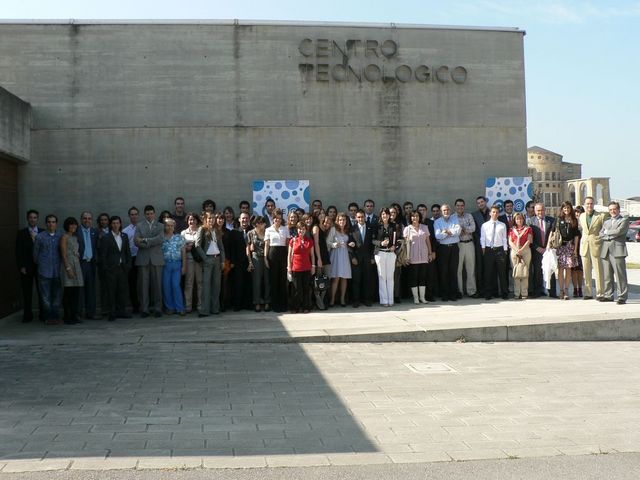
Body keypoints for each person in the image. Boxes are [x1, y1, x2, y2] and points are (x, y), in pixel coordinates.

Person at [98, 215, 132, 321]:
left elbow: (127, 252)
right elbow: (103, 255)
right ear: (110, 225)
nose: (115, 225)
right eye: (113, 223)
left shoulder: (124, 236)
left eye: (117, 223)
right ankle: (112, 312)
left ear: (120, 224)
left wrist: (128, 265)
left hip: (122, 268)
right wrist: (106, 268)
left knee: (122, 291)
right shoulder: (106, 237)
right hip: (111, 269)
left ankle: (121, 311)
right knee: (111, 291)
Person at [134, 205, 165, 318]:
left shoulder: (161, 226)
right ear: (144, 214)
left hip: (157, 259)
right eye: (147, 213)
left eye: (151, 213)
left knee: (157, 285)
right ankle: (144, 309)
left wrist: (145, 240)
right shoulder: (139, 226)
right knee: (143, 286)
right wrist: (151, 241)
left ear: (154, 214)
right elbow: (136, 242)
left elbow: (160, 239)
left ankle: (158, 308)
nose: (149, 215)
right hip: (143, 259)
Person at [33, 214, 63, 325]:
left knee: (57, 296)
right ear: (46, 223)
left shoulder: (61, 236)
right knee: (45, 297)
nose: (51, 224)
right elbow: (35, 255)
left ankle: (56, 316)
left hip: (57, 271)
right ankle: (48, 317)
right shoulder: (40, 237)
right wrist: (42, 264)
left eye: (53, 222)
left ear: (56, 223)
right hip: (44, 271)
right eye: (49, 222)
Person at [15, 209, 43, 323]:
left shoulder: (42, 232)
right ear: (27, 219)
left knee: (41, 291)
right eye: (30, 217)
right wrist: (21, 266)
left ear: (37, 219)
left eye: (35, 217)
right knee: (27, 292)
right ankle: (27, 315)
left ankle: (43, 314)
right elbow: (18, 251)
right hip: (26, 268)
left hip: (40, 267)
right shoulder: (21, 233)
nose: (32, 219)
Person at [599, 201, 629, 305]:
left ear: (618, 209)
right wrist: (608, 234)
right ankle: (608, 295)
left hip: (618, 250)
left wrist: (607, 233)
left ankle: (622, 296)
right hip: (606, 250)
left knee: (620, 275)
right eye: (610, 209)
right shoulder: (606, 222)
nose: (613, 211)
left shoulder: (624, 220)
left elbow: (619, 231)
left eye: (614, 209)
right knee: (607, 275)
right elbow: (601, 233)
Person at [196, 212, 225, 316]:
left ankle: (215, 308)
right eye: (209, 218)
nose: (211, 220)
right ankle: (204, 310)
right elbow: (197, 245)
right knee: (206, 285)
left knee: (216, 285)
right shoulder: (202, 229)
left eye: (213, 218)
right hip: (207, 259)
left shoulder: (217, 230)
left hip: (217, 259)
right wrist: (205, 258)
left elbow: (221, 247)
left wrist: (222, 261)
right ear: (205, 219)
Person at [403, 211, 434, 304]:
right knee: (414, 278)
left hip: (424, 256)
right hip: (412, 257)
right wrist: (407, 257)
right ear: (410, 218)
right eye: (412, 216)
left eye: (416, 216)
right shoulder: (407, 229)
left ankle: (422, 298)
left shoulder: (424, 227)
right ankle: (416, 298)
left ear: (419, 217)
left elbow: (428, 242)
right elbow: (405, 245)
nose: (415, 218)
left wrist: (430, 253)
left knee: (422, 277)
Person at [480, 205, 509, 300]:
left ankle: (504, 292)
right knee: (488, 273)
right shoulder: (485, 225)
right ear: (490, 213)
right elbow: (482, 238)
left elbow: (505, 238)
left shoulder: (502, 225)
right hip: (489, 250)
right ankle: (488, 293)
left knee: (502, 272)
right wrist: (483, 248)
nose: (495, 214)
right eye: (493, 212)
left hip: (500, 250)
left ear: (498, 214)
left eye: (496, 212)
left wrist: (505, 250)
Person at [553, 201, 580, 300]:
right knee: (560, 269)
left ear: (570, 209)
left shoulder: (574, 220)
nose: (566, 210)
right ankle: (560, 290)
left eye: (568, 208)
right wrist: (549, 246)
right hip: (560, 247)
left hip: (569, 247)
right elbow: (552, 233)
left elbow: (577, 236)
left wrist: (575, 249)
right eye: (564, 208)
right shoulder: (558, 219)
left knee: (568, 269)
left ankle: (566, 290)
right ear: (562, 209)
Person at [578, 197, 604, 300]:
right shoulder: (582, 216)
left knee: (598, 270)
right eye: (587, 204)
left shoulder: (600, 216)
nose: (589, 205)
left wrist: (599, 238)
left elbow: (603, 230)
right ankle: (588, 292)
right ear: (584, 204)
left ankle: (600, 293)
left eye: (591, 203)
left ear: (594, 204)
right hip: (584, 246)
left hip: (596, 245)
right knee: (586, 271)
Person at [264, 209, 290, 313]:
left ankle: (283, 304)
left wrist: (289, 258)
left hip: (283, 254)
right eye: (275, 218)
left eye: (279, 218)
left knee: (282, 280)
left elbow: (288, 244)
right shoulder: (268, 230)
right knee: (273, 280)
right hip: (272, 256)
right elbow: (266, 245)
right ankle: (274, 305)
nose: (277, 220)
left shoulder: (285, 229)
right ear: (273, 219)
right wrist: (265, 258)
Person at [434, 204, 461, 301]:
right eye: (444, 210)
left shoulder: (455, 219)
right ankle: (444, 294)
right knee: (444, 272)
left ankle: (453, 294)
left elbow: (458, 231)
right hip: (443, 249)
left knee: (453, 271)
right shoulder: (437, 222)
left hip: (454, 248)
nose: (446, 212)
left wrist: (446, 232)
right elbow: (437, 236)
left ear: (450, 210)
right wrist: (449, 232)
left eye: (447, 210)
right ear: (441, 212)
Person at [287, 221, 316, 313]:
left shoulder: (309, 241)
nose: (301, 230)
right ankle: (295, 307)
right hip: (296, 268)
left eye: (303, 229)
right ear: (297, 229)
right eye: (299, 229)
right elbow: (289, 255)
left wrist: (313, 266)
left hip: (307, 268)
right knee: (296, 289)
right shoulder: (293, 240)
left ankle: (306, 306)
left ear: (305, 230)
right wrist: (289, 267)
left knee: (306, 288)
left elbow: (312, 255)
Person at [530, 203, 557, 298]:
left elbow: (554, 235)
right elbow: (530, 238)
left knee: (551, 271)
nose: (540, 212)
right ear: (535, 211)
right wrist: (537, 248)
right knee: (537, 271)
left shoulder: (552, 220)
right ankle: (537, 292)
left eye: (542, 210)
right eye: (538, 210)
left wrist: (548, 247)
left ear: (545, 210)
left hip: (549, 250)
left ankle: (552, 292)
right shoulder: (530, 221)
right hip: (536, 250)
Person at [60, 217, 83, 324]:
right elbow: (64, 255)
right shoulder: (64, 237)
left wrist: (77, 254)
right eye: (71, 224)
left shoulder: (75, 237)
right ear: (67, 226)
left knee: (76, 292)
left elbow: (75, 250)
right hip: (68, 265)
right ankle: (67, 316)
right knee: (68, 292)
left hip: (76, 264)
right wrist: (68, 268)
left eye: (75, 224)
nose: (73, 226)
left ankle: (74, 315)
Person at [373, 207, 399, 307]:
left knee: (390, 277)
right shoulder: (376, 226)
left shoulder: (394, 226)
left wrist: (395, 246)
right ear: (381, 215)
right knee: (382, 277)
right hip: (380, 253)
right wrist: (381, 243)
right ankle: (384, 300)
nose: (385, 216)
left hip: (391, 253)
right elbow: (373, 240)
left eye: (387, 214)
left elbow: (399, 240)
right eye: (383, 214)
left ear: (389, 215)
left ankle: (390, 300)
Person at [327, 212, 353, 307]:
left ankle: (342, 299)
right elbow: (328, 242)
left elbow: (350, 242)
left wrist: (351, 244)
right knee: (336, 278)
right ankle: (332, 299)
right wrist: (334, 244)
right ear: (337, 221)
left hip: (345, 255)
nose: (342, 221)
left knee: (344, 278)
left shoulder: (347, 231)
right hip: (336, 255)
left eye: (344, 220)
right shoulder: (333, 229)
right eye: (340, 220)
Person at [228, 212, 253, 311]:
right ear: (239, 219)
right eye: (243, 218)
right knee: (238, 283)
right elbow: (231, 248)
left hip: (250, 261)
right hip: (237, 262)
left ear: (249, 220)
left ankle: (248, 304)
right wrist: (232, 262)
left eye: (246, 218)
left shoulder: (252, 231)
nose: (245, 220)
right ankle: (237, 305)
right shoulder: (234, 232)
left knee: (248, 283)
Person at [161, 218, 186, 315]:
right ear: (164, 226)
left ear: (174, 226)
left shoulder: (179, 237)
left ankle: (180, 307)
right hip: (165, 265)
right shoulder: (161, 238)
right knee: (166, 286)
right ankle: (170, 307)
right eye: (167, 225)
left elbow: (183, 252)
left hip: (177, 264)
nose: (169, 227)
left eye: (171, 225)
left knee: (176, 285)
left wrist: (184, 266)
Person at [454, 198, 478, 298]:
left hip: (469, 244)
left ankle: (471, 291)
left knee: (471, 268)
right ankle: (459, 291)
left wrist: (463, 229)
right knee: (458, 269)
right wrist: (463, 230)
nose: (460, 207)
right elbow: (454, 231)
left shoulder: (469, 215)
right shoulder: (452, 217)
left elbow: (473, 228)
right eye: (458, 205)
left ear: (464, 206)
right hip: (458, 245)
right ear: (455, 206)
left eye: (462, 205)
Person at [350, 209, 374, 307]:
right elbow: (349, 245)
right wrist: (352, 257)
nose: (360, 219)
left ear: (365, 217)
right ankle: (356, 300)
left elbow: (373, 244)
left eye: (362, 217)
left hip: (368, 258)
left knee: (367, 279)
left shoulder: (370, 227)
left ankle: (367, 299)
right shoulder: (352, 229)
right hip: (357, 258)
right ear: (356, 218)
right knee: (356, 280)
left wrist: (373, 257)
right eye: (358, 217)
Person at [77, 211, 99, 319]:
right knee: (79, 290)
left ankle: (91, 313)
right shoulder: (76, 231)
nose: (87, 220)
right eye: (85, 218)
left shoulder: (94, 232)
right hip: (80, 264)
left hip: (91, 264)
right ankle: (79, 313)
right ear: (81, 220)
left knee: (91, 289)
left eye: (89, 218)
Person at [181, 212, 203, 314]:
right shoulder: (183, 233)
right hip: (188, 260)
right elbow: (181, 248)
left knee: (200, 283)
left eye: (193, 219)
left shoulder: (201, 231)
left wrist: (194, 246)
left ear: (197, 220)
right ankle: (188, 306)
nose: (192, 221)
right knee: (188, 283)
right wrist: (187, 247)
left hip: (199, 261)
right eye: (190, 219)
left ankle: (200, 305)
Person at [247, 216, 270, 312]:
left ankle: (267, 302)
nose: (260, 224)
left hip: (267, 258)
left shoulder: (268, 232)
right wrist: (250, 262)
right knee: (256, 281)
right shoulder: (251, 233)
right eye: (258, 223)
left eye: (262, 223)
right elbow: (247, 248)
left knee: (267, 280)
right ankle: (257, 302)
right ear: (255, 224)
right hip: (256, 258)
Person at [508, 212, 533, 299]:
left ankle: (524, 293)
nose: (519, 220)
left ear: (523, 219)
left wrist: (521, 250)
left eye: (521, 218)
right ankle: (516, 293)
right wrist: (517, 250)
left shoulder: (528, 228)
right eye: (517, 218)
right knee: (516, 272)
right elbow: (510, 241)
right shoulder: (511, 230)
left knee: (525, 271)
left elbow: (529, 240)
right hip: (515, 251)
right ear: (515, 220)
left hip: (525, 251)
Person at [312, 212, 332, 309]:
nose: (322, 215)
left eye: (323, 214)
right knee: (318, 282)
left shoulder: (324, 227)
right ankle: (319, 303)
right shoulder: (316, 227)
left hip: (326, 256)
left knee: (326, 280)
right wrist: (319, 259)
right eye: (320, 214)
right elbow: (316, 244)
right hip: (319, 257)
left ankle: (323, 301)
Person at [122, 207, 140, 314]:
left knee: (143, 283)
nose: (134, 216)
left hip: (142, 258)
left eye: (135, 214)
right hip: (131, 259)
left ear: (138, 215)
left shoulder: (143, 228)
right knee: (132, 283)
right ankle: (135, 306)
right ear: (129, 216)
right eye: (132, 214)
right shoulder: (125, 231)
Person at [472, 196, 490, 296]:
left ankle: (490, 290)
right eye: (478, 203)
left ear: (485, 202)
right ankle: (480, 290)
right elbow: (474, 231)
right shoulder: (474, 215)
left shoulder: (492, 213)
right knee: (479, 267)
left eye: (482, 202)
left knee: (490, 268)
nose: (480, 204)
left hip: (491, 245)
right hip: (479, 245)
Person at [573, 205, 585, 298]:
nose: (578, 214)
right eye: (576, 212)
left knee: (580, 270)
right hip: (573, 248)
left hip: (582, 247)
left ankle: (580, 288)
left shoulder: (584, 223)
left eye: (579, 212)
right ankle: (575, 288)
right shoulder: (572, 222)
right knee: (573, 270)